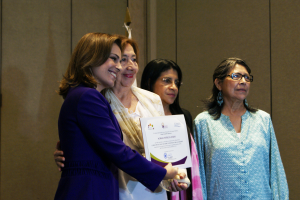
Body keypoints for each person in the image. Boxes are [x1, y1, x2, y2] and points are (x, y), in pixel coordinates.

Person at [54, 35, 186, 200]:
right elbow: (117, 151)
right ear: (92, 58)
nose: (119, 67)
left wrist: (170, 174)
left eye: (133, 59)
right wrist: (163, 172)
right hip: (92, 189)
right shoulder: (89, 96)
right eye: (116, 59)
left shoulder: (85, 95)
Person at [193, 57, 289, 199]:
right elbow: (198, 174)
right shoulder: (203, 123)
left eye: (247, 77)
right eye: (236, 76)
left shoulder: (263, 120)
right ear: (219, 83)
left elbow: (276, 170)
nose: (243, 81)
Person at [141, 58, 203, 200]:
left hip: (181, 188)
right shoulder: (140, 116)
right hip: (150, 189)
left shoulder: (183, 116)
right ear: (150, 82)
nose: (173, 87)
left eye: (176, 82)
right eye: (166, 80)